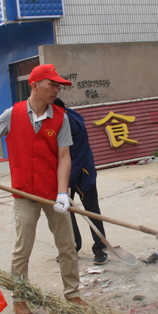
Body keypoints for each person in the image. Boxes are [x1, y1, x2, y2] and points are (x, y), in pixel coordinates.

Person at [0, 64, 88, 314]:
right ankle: (19, 297)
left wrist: (63, 192)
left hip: (52, 194)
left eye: (58, 86)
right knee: (22, 248)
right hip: (24, 194)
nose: (56, 90)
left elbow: (64, 157)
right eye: (52, 84)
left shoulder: (61, 118)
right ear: (34, 85)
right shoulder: (12, 115)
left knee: (67, 245)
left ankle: (72, 294)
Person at [53, 98, 108, 265]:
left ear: (62, 111)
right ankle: (73, 246)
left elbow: (76, 158)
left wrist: (68, 183)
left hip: (84, 173)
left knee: (92, 211)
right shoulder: (53, 121)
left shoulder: (75, 126)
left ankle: (100, 249)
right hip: (64, 174)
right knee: (66, 213)